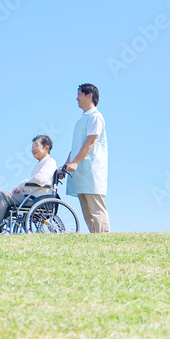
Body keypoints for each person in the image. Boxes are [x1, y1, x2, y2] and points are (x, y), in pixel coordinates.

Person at [0, 135, 57, 236]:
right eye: (32, 147)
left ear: (46, 148)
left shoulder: (49, 162)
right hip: (31, 197)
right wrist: (21, 191)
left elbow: (40, 180)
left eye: (36, 146)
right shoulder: (40, 164)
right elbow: (35, 185)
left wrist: (21, 185)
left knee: (2, 195)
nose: (33, 149)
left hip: (38, 200)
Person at [64, 83, 110, 233]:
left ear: (89, 96)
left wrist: (75, 162)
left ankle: (104, 239)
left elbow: (90, 142)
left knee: (95, 207)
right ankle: (95, 239)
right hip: (81, 169)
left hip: (91, 169)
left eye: (79, 94)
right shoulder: (82, 119)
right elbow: (76, 146)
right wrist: (66, 165)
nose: (76, 98)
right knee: (87, 209)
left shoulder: (95, 117)